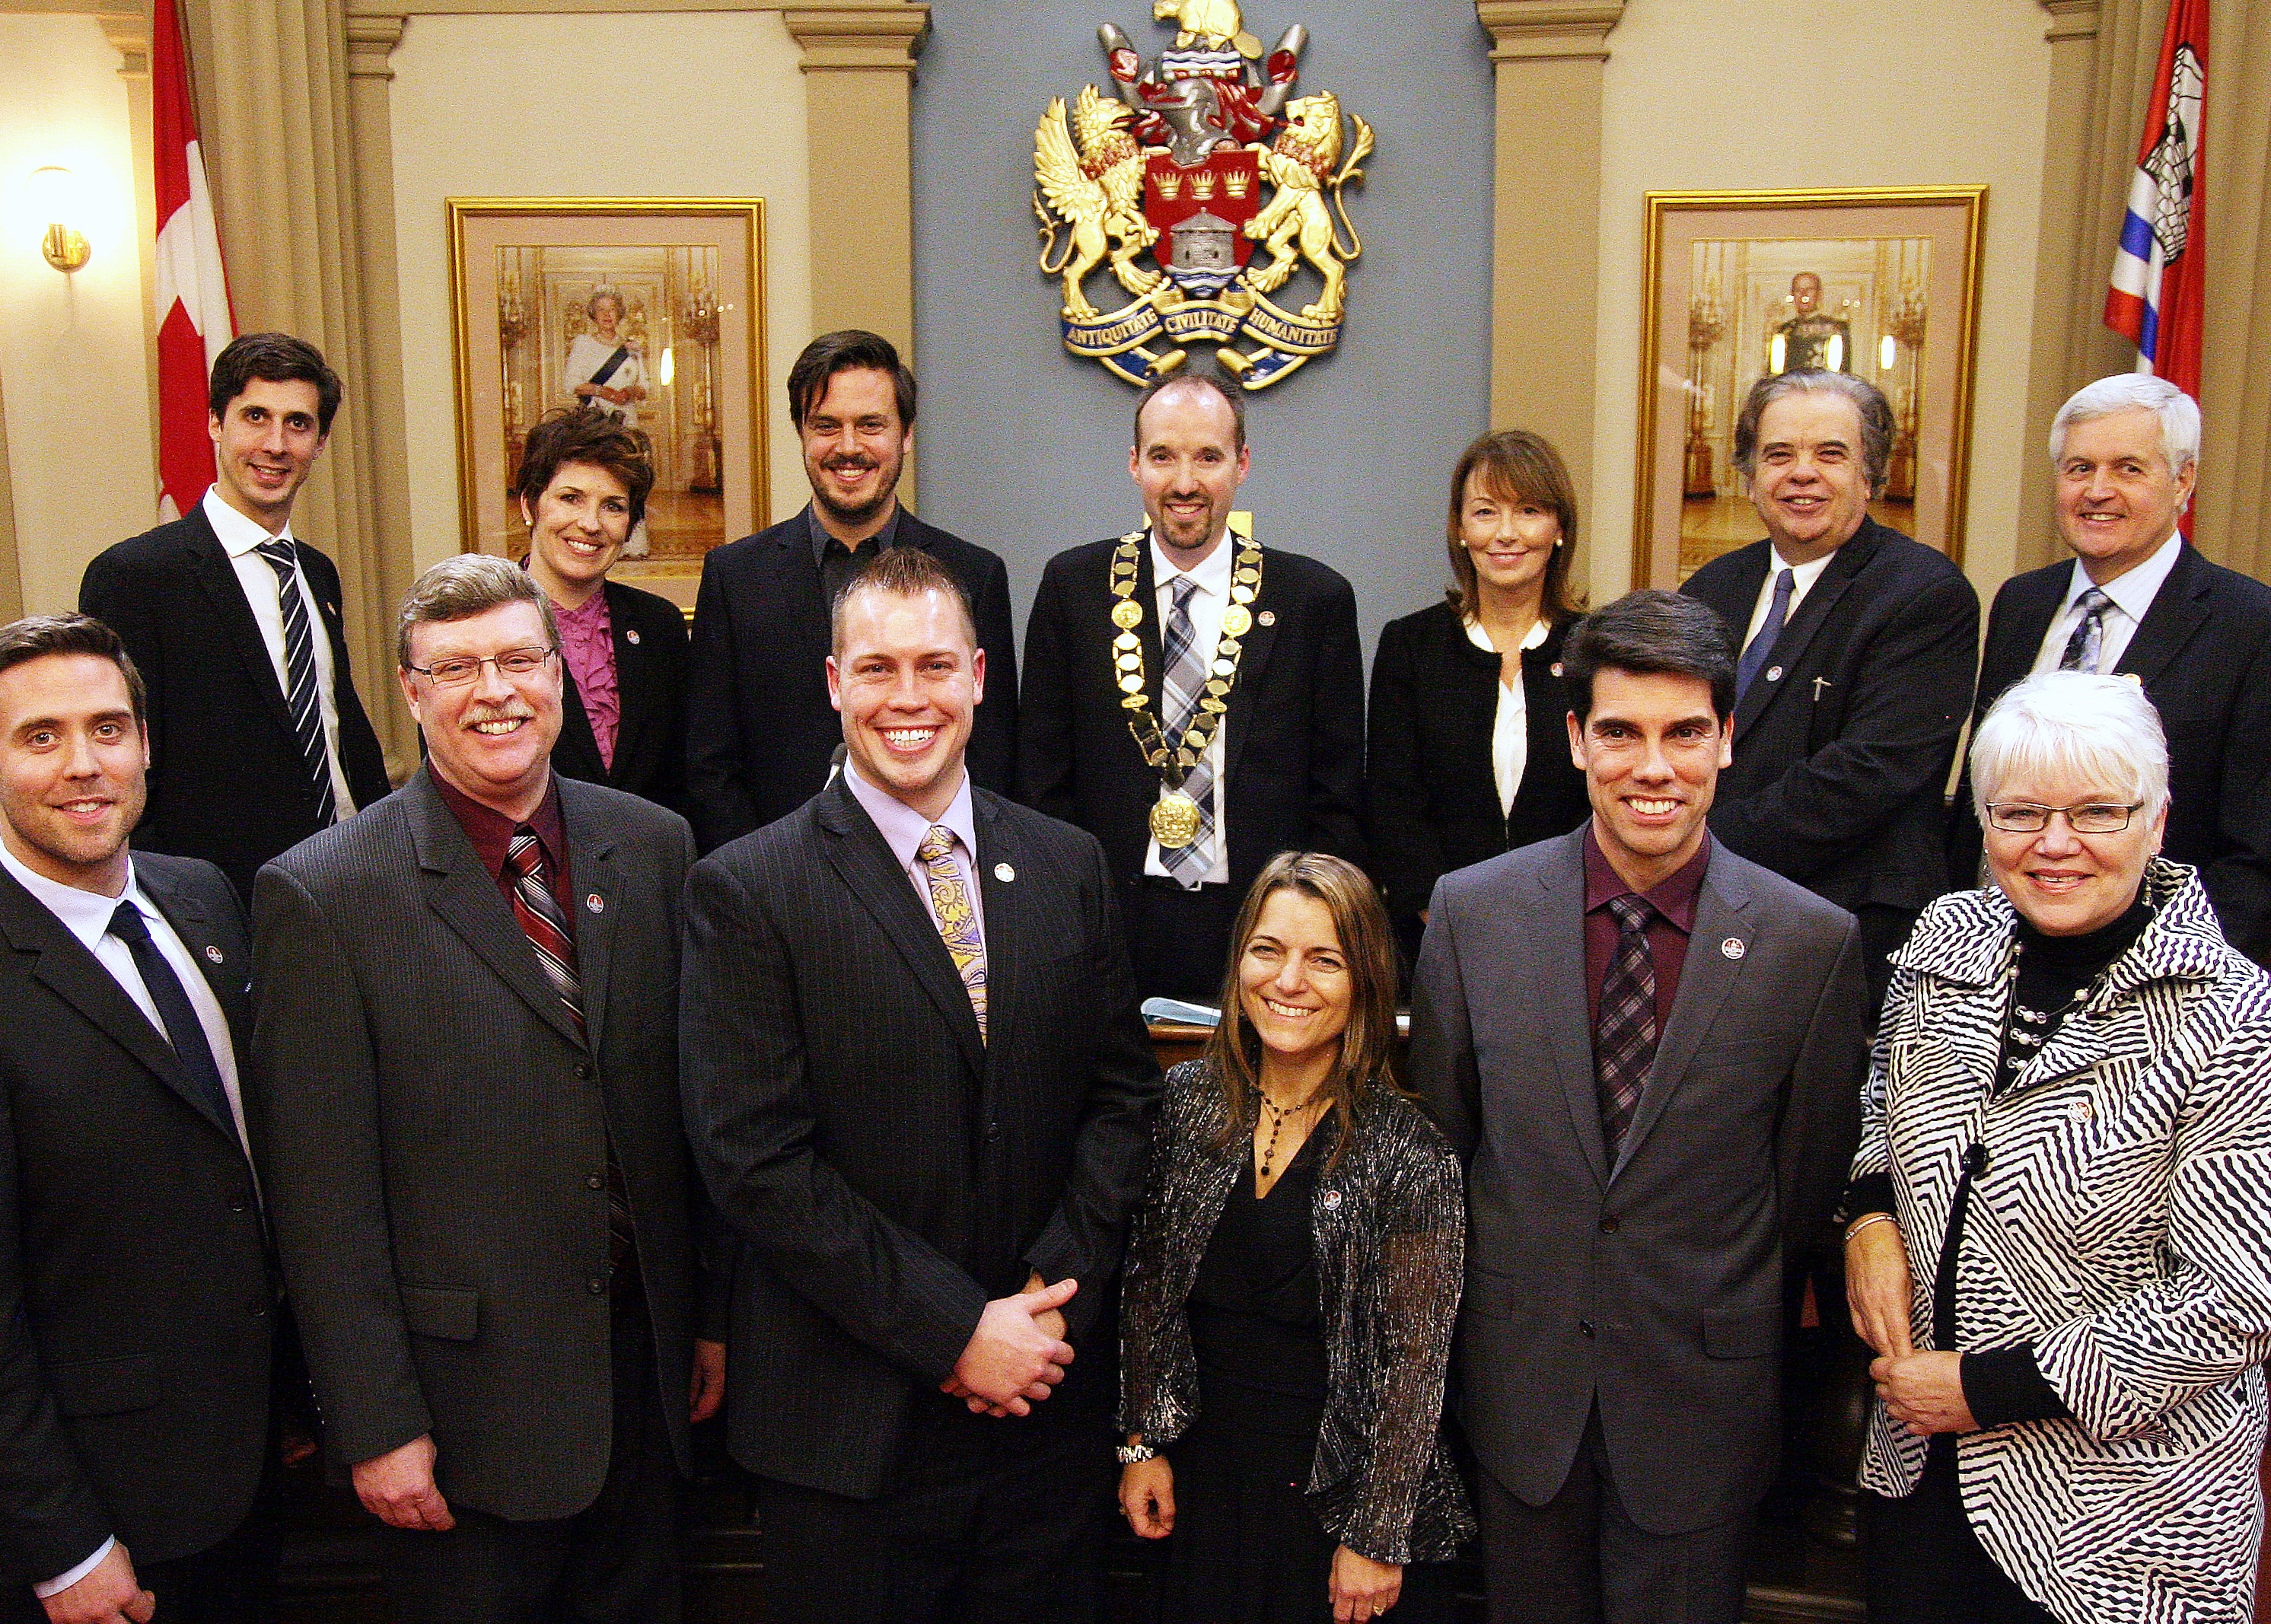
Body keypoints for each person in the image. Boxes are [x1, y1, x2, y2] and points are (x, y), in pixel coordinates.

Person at [678, 545, 1159, 1624]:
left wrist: (1036, 1316)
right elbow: (757, 1166)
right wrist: (955, 1331)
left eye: (935, 667)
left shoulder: (1067, 862)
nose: (910, 698)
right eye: (879, 667)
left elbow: (1123, 1101)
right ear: (835, 681)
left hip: (1041, 1416)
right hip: (851, 1438)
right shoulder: (748, 888)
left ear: (979, 678)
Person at [250, 556, 717, 1622]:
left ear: (557, 674)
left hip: (642, 1388)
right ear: (411, 692)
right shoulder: (322, 893)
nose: (494, 690)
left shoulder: (652, 846)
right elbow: (321, 1200)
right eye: (455, 668)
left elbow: (683, 1115)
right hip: (461, 1421)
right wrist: (372, 1421)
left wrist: (708, 1317)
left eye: (518, 658)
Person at [1410, 590, 1869, 1624]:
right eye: (1620, 732)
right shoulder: (1470, 915)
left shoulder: (1810, 944)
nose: (1651, 767)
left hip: (1700, 1400)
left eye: (1684, 733)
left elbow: (1798, 1190)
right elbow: (1449, 1151)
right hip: (1524, 1393)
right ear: (1575, 739)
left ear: (1727, 741)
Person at [1847, 668, 2271, 1623]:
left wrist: (1984, 1385)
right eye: (2019, 813)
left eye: (2097, 810)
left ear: (2158, 815)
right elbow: (1882, 1102)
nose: (2054, 845)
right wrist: (1869, 1216)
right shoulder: (1948, 937)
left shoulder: (2246, 1021)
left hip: (2119, 1519)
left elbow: (2238, 1304)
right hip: (1918, 1470)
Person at [0, 613, 283, 1624]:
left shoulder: (201, 897)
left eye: (110, 728)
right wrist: (61, 1544)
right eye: (42, 736)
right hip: (103, 1509)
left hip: (248, 1460)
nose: (86, 765)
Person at [1117, 852, 1473, 1624]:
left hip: (1337, 1497)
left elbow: (1417, 1366)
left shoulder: (1409, 1149)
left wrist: (1378, 1534)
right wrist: (1140, 1442)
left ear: (1367, 981)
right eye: (1268, 950)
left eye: (1324, 960)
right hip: (1205, 1480)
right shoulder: (1180, 1103)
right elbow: (1146, 1290)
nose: (1287, 982)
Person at [1018, 367, 1366, 1003]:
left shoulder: (1312, 600)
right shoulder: (1073, 588)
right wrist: (1068, 917)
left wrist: (1306, 933)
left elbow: (1336, 798)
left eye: (1208, 456)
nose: (1184, 483)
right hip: (1108, 924)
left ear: (1242, 463)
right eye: (1162, 457)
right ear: (1133, 464)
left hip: (1264, 934)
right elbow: (1043, 781)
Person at [1945, 374, 2271, 959]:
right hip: (1991, 959)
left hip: (2153, 977)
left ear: (2181, 480)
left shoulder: (2264, 632)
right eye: (2078, 468)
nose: (2097, 490)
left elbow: (2256, 863)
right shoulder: (2020, 604)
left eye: (2128, 469)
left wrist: (2162, 984)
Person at [1679, 368, 1979, 995]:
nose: (1801, 473)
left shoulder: (1924, 595)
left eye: (1830, 454)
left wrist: (1689, 850)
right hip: (1704, 919)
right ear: (1750, 475)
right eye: (1778, 454)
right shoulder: (1710, 590)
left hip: (1844, 926)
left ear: (1871, 475)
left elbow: (1868, 774)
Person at [80, 331, 389, 895]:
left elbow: (332, 723)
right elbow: (121, 756)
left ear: (319, 442)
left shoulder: (317, 574)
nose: (275, 444)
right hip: (220, 892)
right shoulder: (138, 575)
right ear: (215, 424)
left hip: (349, 872)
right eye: (255, 417)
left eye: (298, 424)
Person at [684, 329, 1017, 850]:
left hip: (934, 875)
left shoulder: (973, 575)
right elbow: (710, 766)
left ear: (906, 434)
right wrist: (764, 879)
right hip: (777, 886)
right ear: (800, 433)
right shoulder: (734, 577)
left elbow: (993, 758)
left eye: (870, 425)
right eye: (826, 426)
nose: (848, 447)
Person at [1366, 428, 1590, 968]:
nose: (1506, 534)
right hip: (1434, 940)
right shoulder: (1409, 645)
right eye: (1486, 512)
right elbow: (1392, 803)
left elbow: (1602, 802)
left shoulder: (1596, 649)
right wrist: (1445, 915)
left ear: (1558, 528)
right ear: (1461, 529)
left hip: (1571, 935)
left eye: (1529, 511)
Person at [515, 406, 690, 815]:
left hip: (649, 865)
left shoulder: (659, 625)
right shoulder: (481, 622)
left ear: (631, 524)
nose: (591, 523)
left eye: (613, 505)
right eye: (570, 498)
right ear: (529, 505)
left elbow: (685, 773)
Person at [565, 289, 647, 425]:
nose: (607, 315)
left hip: (627, 419)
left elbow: (644, 386)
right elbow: (572, 383)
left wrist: (630, 391)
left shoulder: (631, 346)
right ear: (594, 314)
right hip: (595, 418)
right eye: (601, 310)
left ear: (619, 313)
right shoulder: (584, 343)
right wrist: (606, 393)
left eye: (612, 309)